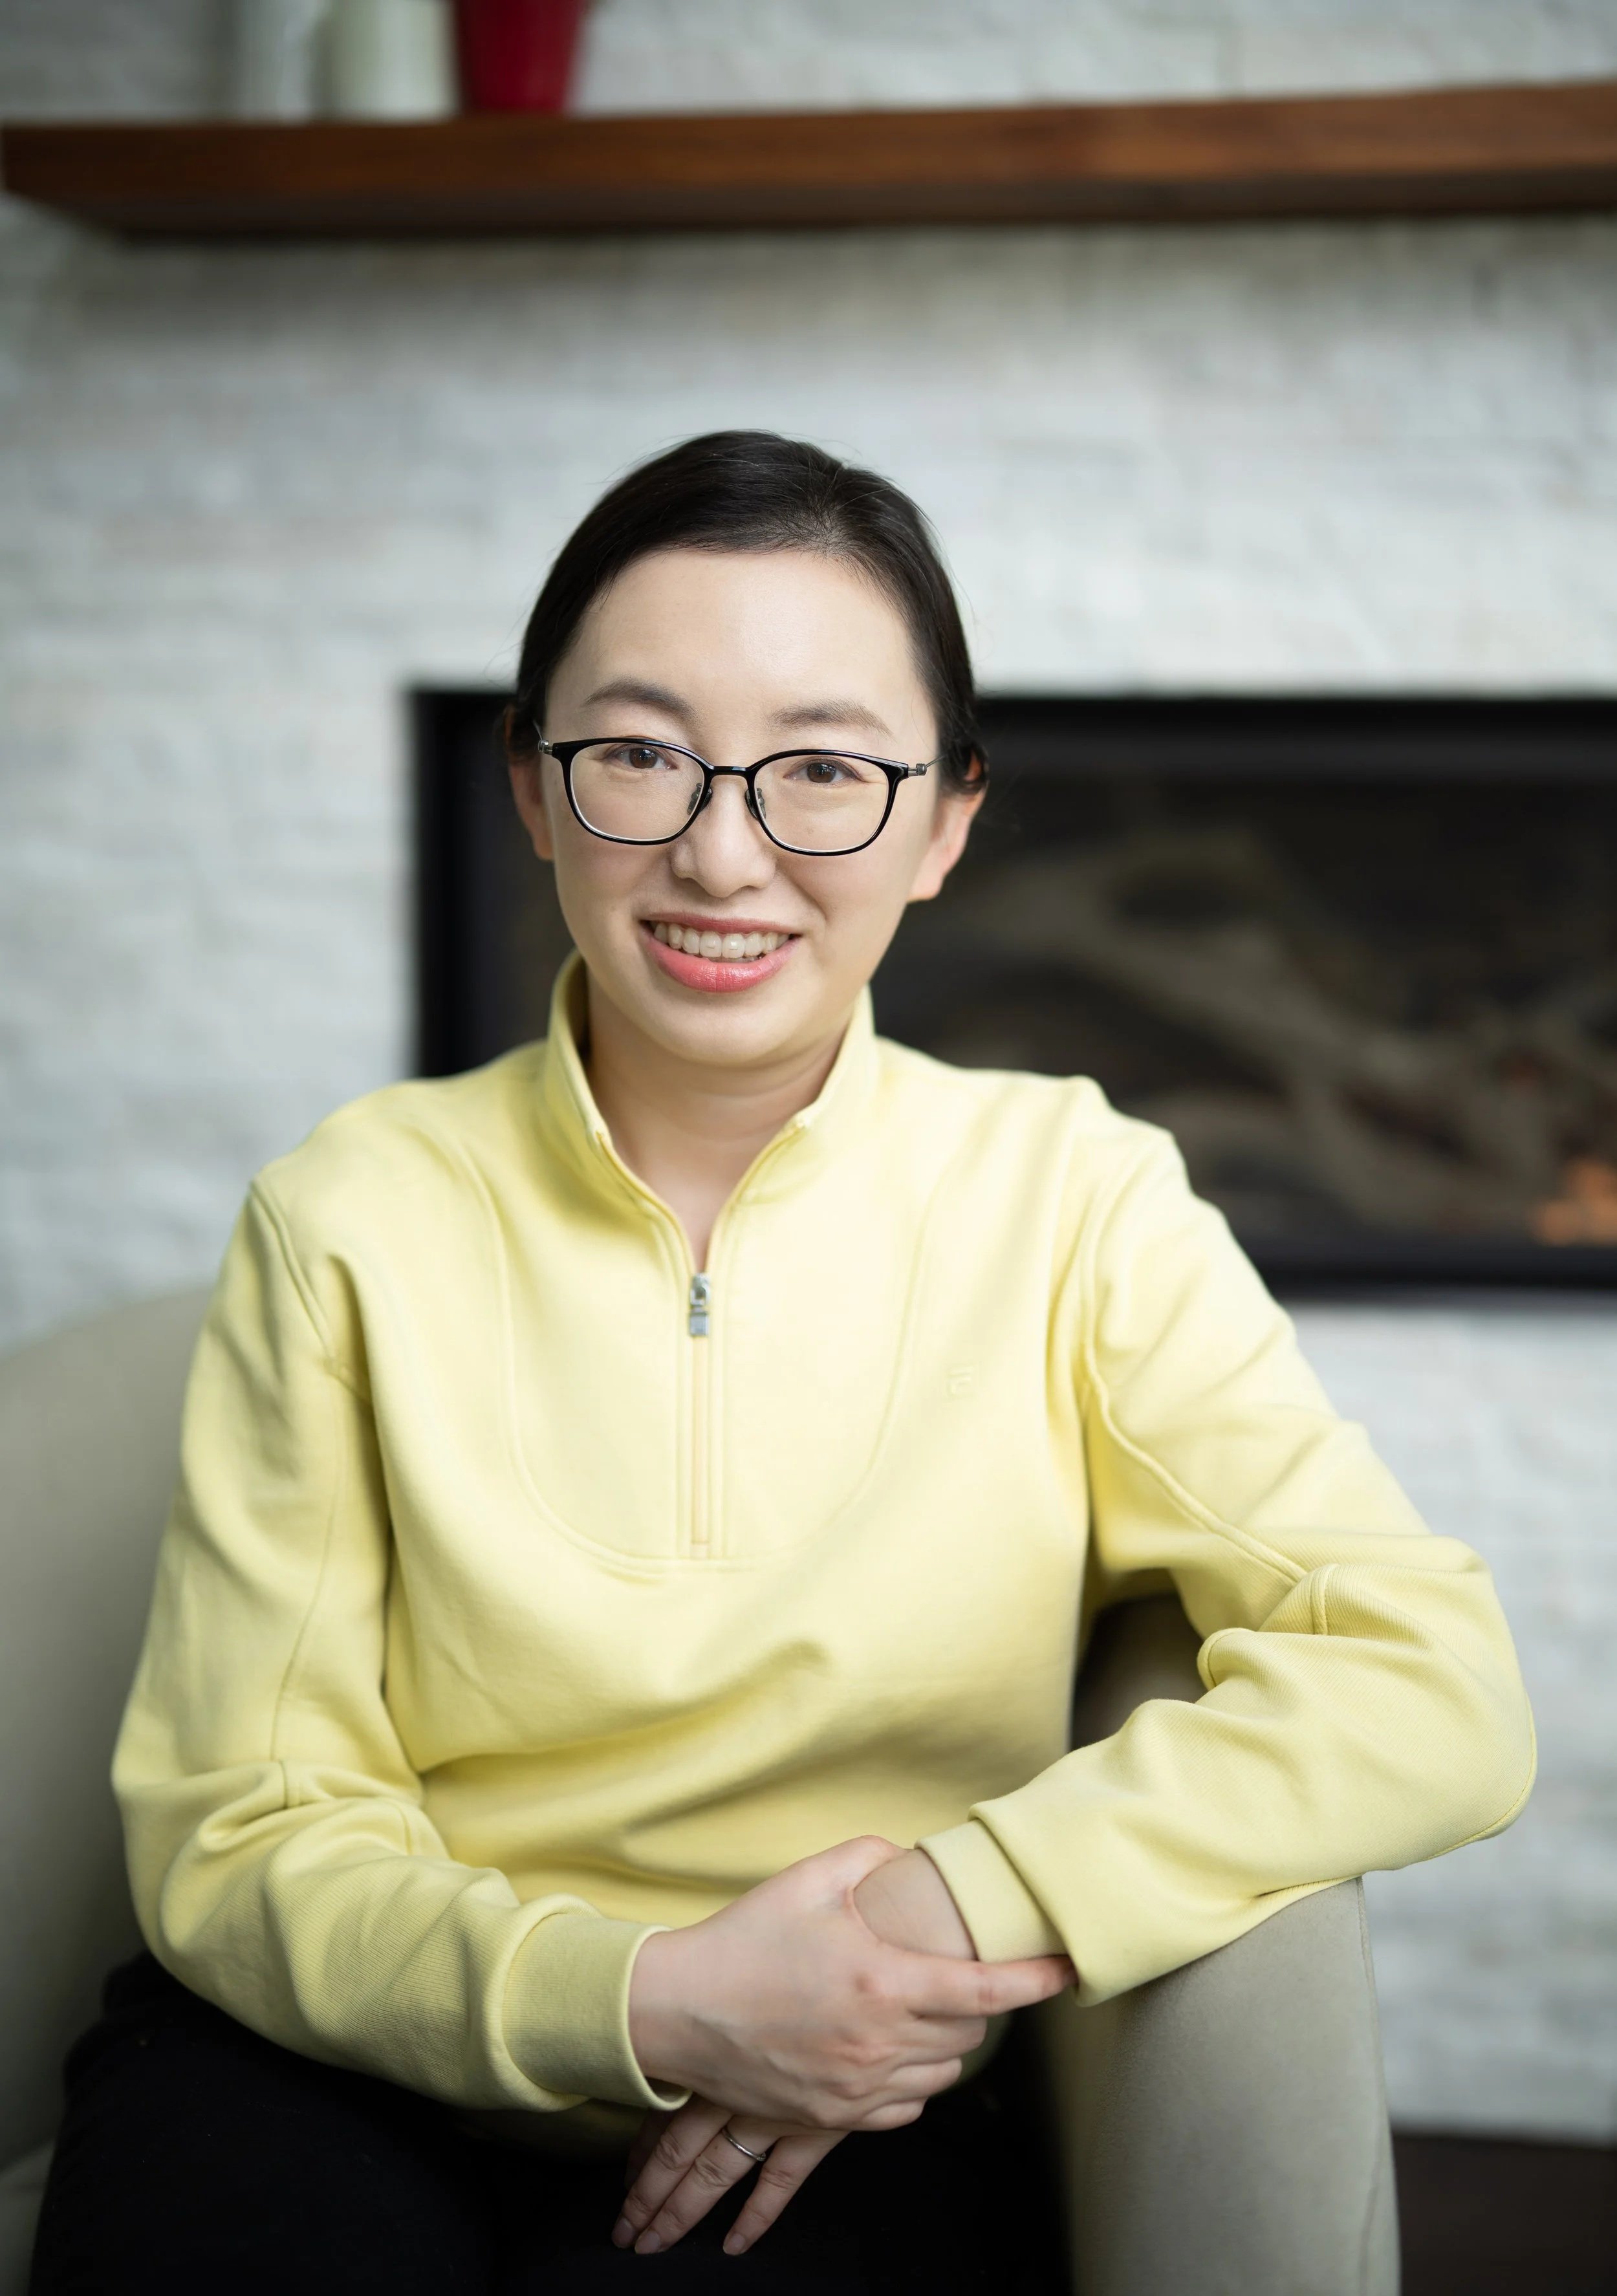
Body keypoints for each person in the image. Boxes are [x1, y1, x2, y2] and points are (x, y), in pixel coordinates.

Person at [31, 431, 1534, 2295]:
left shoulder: (1071, 1199)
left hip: (844, 2104)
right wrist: (653, 2000)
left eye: (821, 769)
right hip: (335, 2062)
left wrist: (942, 1910)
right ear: (533, 790)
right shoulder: (349, 1214)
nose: (721, 850)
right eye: (639, 755)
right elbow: (240, 1831)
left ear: (943, 820)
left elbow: (1429, 1680)